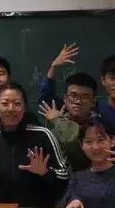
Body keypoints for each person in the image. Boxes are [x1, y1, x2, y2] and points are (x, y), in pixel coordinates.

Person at [0, 83, 69, 207]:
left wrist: (45, 172)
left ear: (25, 107)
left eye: (17, 103)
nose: (11, 108)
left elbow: (64, 175)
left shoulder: (43, 135)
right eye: (5, 103)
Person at [37, 43, 99, 171]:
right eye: (73, 95)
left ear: (93, 102)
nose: (78, 101)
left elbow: (73, 141)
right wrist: (54, 67)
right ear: (65, 99)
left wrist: (57, 120)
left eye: (84, 97)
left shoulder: (98, 127)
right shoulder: (59, 113)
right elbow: (45, 95)